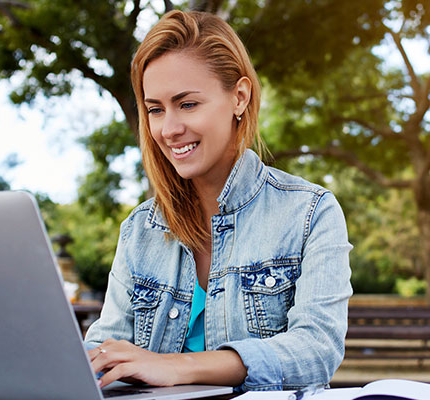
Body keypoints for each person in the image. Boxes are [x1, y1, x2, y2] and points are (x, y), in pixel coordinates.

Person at [82, 10, 353, 392]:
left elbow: (316, 350)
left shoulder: (309, 213)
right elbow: (104, 345)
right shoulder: (139, 230)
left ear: (239, 97)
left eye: (188, 104)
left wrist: (179, 367)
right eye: (156, 109)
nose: (169, 129)